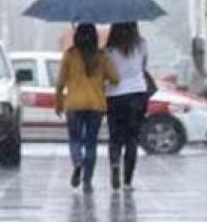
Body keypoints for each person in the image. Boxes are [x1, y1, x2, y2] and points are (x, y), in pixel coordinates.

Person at [55, 23, 120, 192]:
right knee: (91, 143)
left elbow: (60, 83)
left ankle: (77, 163)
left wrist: (58, 103)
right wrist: (102, 80)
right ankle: (87, 181)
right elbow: (115, 78)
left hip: (74, 104)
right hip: (95, 105)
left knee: (75, 140)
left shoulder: (69, 55)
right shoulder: (101, 56)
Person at [105, 21, 149, 191]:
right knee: (132, 138)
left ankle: (115, 164)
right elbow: (144, 67)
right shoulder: (141, 44)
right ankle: (128, 181)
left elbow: (106, 74)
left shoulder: (108, 50)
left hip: (115, 96)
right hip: (138, 93)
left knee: (115, 137)